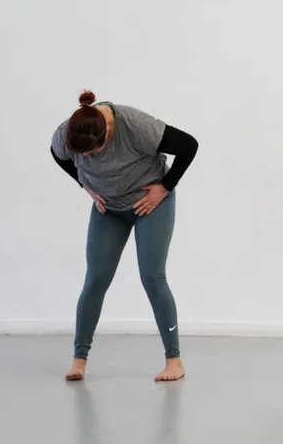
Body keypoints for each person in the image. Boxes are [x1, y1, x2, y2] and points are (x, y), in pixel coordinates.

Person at [50, 90, 199, 382]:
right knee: (96, 279)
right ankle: (79, 359)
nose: (89, 159)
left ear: (106, 135)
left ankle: (174, 361)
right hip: (109, 209)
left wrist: (164, 187)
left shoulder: (135, 126)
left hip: (150, 203)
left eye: (94, 153)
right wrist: (85, 185)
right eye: (84, 156)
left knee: (152, 276)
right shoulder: (65, 135)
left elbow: (188, 146)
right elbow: (59, 156)